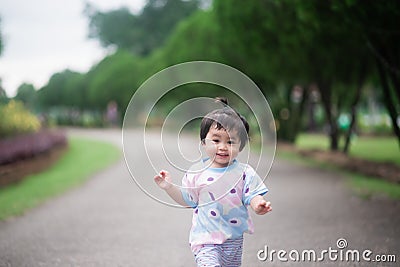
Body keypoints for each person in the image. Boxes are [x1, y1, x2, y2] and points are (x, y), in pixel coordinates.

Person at [154, 98, 272, 267]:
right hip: (205, 239)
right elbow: (188, 200)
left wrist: (258, 204)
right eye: (216, 141)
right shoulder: (197, 172)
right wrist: (169, 187)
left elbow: (252, 194)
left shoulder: (245, 173)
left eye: (230, 142)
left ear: (241, 146)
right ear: (203, 142)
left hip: (234, 239)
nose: (223, 147)